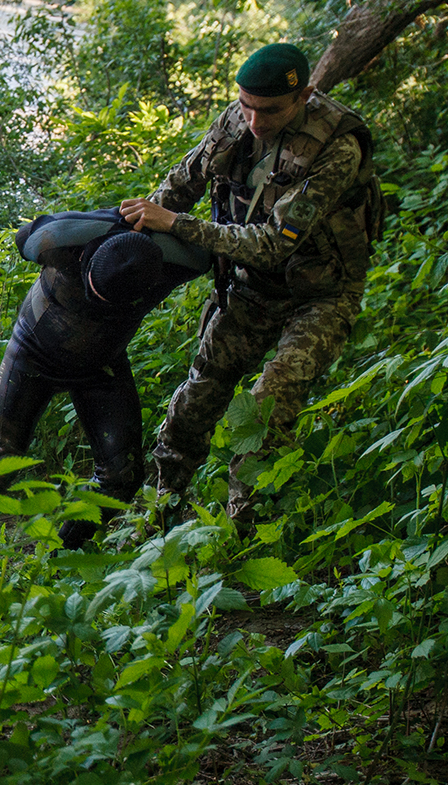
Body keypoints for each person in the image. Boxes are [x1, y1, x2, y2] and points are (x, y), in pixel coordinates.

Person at [119, 43, 380, 524]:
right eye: (246, 105)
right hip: (251, 287)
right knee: (197, 397)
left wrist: (175, 224)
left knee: (268, 405)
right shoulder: (236, 122)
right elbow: (184, 182)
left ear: (304, 96)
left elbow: (273, 243)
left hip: (319, 295)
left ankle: (240, 528)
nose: (255, 121)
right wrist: (137, 224)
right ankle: (159, 509)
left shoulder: (337, 147)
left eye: (270, 110)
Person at [0, 209, 210, 549]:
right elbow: (22, 236)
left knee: (122, 478)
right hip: (31, 354)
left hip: (102, 365)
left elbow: (216, 247)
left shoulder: (181, 261)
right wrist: (108, 219)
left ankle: (57, 555)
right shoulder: (58, 239)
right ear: (84, 259)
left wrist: (171, 221)